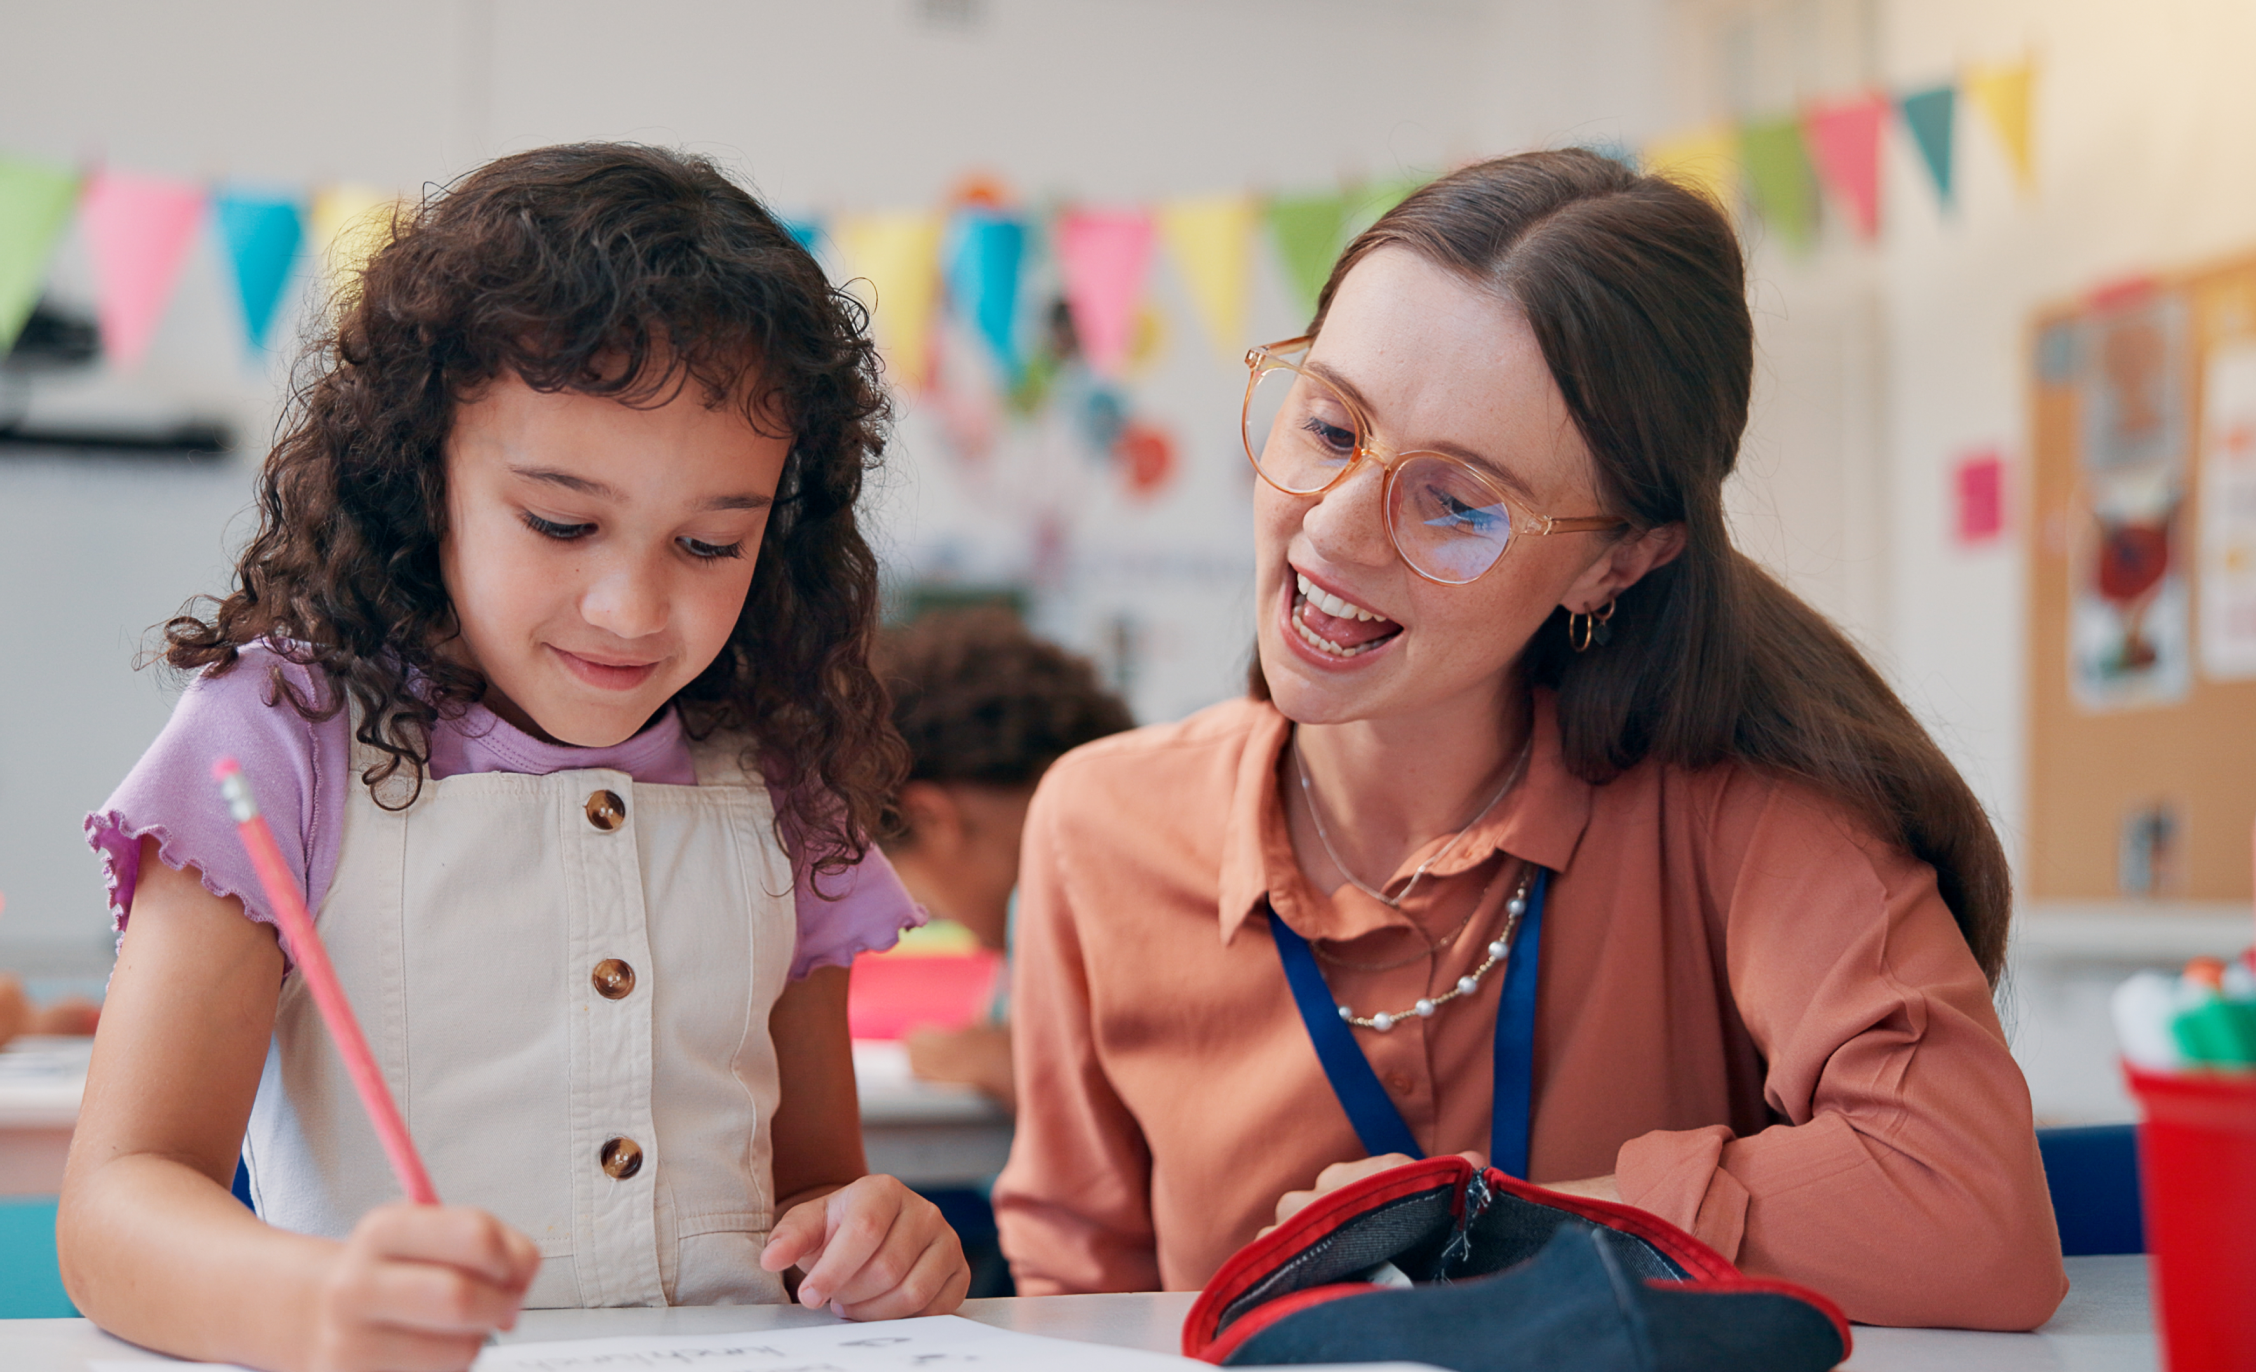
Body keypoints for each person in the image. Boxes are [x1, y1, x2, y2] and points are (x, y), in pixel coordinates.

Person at [992, 149, 2068, 1330]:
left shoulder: (1747, 802)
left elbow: (1967, 1205)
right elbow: (1076, 1315)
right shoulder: (1098, 826)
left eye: (1458, 502)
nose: (1336, 532)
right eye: (1329, 424)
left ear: (1618, 559)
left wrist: (1480, 1221)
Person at [61, 144, 969, 1372]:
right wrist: (320, 1304)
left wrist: (876, 1235)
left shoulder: (781, 766)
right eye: (560, 522)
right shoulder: (281, 734)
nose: (632, 607)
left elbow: (812, 1194)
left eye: (711, 542)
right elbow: (119, 1207)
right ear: (418, 472)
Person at [872, 608, 1134, 1109]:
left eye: (934, 908)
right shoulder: (1028, 949)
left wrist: (999, 1062)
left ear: (933, 819)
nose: (974, 940)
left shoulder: (1113, 907)